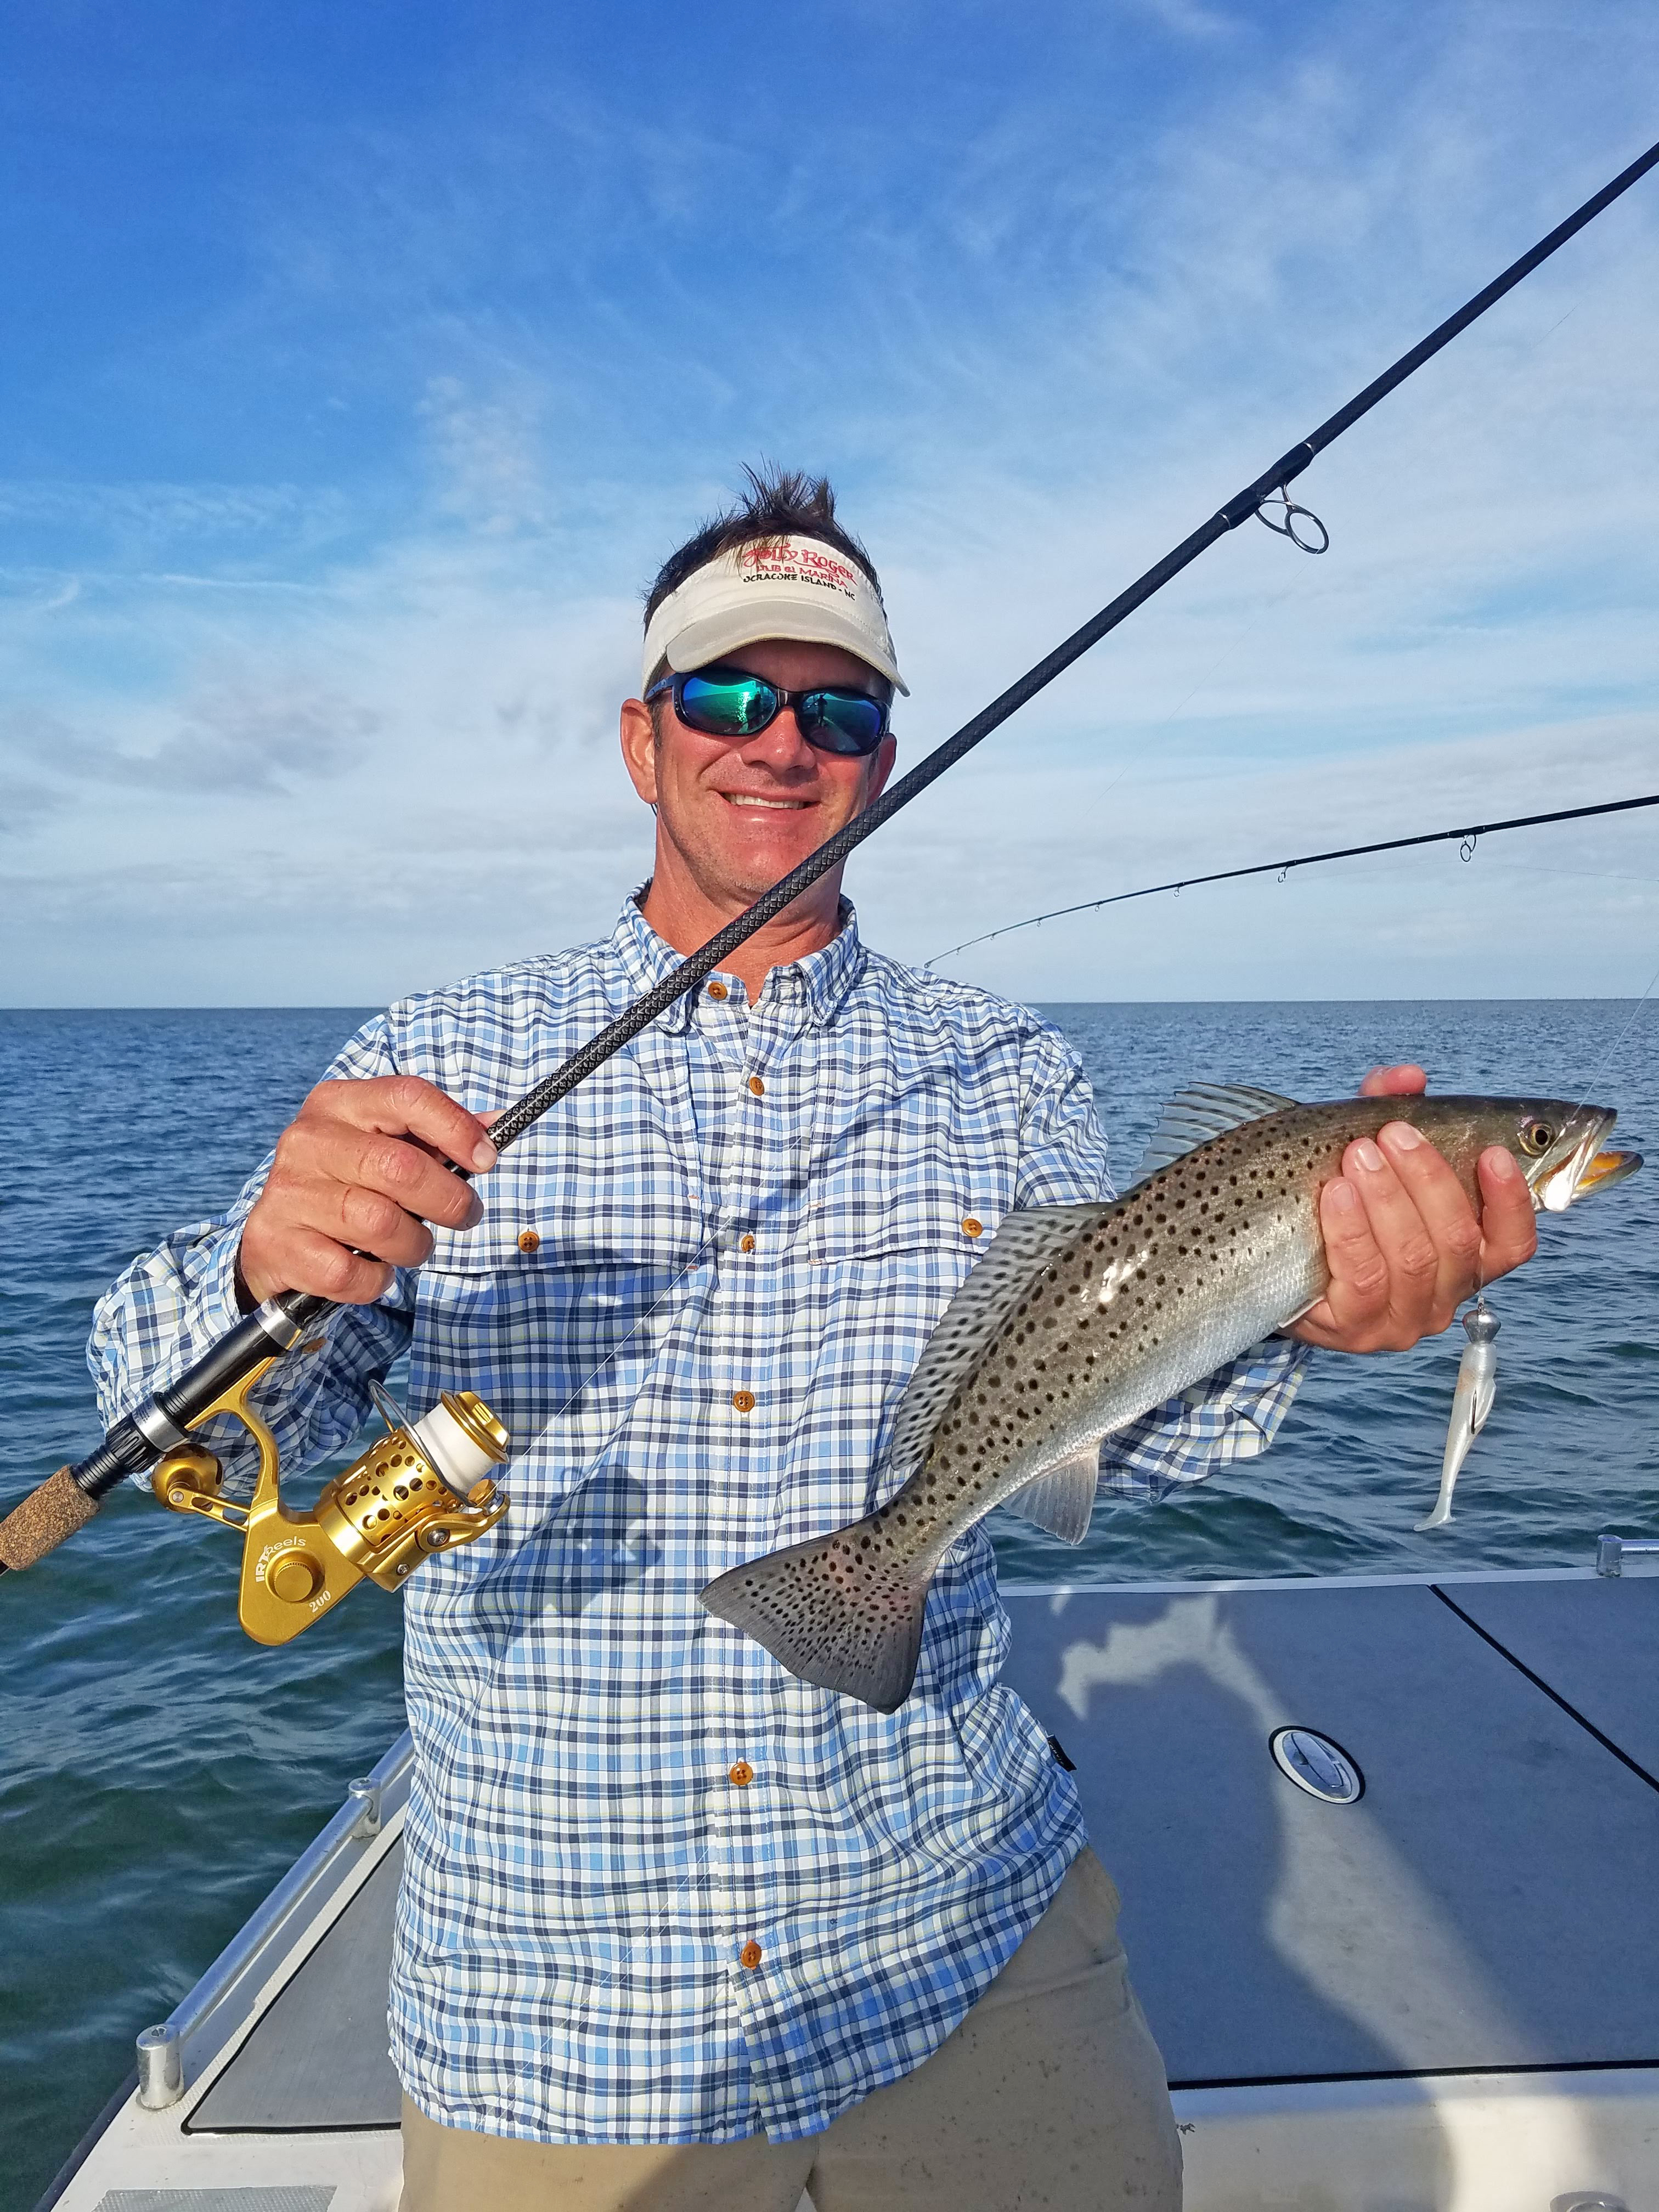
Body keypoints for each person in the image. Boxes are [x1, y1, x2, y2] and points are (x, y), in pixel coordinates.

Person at [91, 467, 1539, 2211]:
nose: (780, 743)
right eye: (727, 694)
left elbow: (1128, 1428)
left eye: (837, 706)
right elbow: (191, 1430)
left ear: (885, 757)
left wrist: (1320, 1312)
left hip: (965, 1941)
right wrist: (263, 1269)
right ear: (644, 742)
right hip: (569, 2023)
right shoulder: (442, 1046)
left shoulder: (1009, 1071)